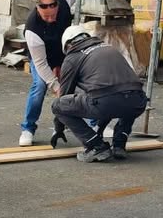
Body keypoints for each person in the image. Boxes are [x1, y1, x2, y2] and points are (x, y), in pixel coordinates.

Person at [16, 0, 101, 147]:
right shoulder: (32, 30)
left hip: (65, 55)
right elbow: (40, 64)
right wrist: (56, 86)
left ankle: (95, 124)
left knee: (85, 83)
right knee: (39, 87)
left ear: (57, 5)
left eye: (53, 15)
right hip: (43, 58)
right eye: (46, 17)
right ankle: (28, 129)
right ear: (38, 9)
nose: (51, 20)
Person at [52, 24, 149, 163]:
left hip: (107, 101)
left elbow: (64, 99)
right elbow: (116, 89)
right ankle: (119, 144)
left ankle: (96, 146)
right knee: (122, 96)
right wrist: (99, 128)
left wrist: (59, 127)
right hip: (138, 101)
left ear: (68, 45)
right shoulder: (109, 48)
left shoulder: (73, 57)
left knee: (57, 105)